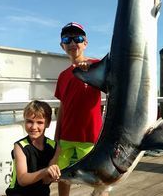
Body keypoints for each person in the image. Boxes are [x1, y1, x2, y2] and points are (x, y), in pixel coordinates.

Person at [54, 22, 108, 196]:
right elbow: (62, 109)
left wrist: (90, 69)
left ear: (85, 43)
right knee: (63, 177)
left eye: (77, 38)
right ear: (62, 45)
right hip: (66, 138)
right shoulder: (62, 76)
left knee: (100, 181)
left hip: (91, 137)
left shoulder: (97, 66)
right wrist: (57, 139)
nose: (72, 43)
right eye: (67, 39)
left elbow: (113, 85)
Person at [6, 100, 61, 196]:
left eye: (40, 122)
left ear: (47, 124)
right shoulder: (19, 146)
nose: (34, 127)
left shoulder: (54, 147)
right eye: (29, 121)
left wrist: (52, 175)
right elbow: (22, 180)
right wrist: (45, 171)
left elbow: (46, 181)